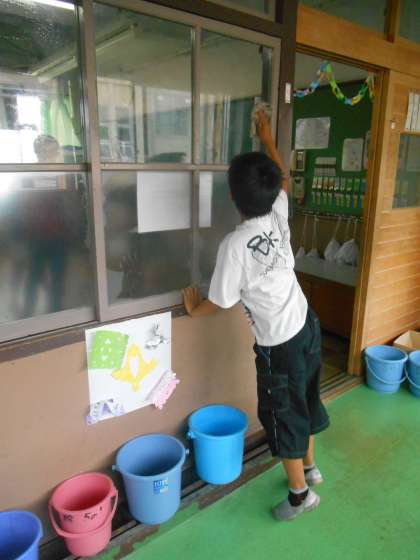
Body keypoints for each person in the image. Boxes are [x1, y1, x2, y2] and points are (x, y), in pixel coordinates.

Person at [182, 111, 330, 522]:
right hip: (307, 325)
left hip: (280, 345)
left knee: (284, 416)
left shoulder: (235, 245)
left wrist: (194, 309)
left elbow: (220, 300)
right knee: (304, 401)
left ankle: (300, 496)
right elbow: (283, 180)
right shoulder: (278, 212)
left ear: (232, 197)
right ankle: (311, 469)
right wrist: (267, 138)